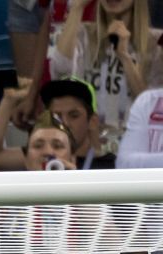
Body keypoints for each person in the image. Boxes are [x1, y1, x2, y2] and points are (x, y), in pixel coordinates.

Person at [49, 0, 163, 162]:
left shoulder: (156, 43)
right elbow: (60, 73)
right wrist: (77, 8)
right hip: (88, 148)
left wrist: (125, 57)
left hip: (134, 151)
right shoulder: (83, 34)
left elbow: (154, 108)